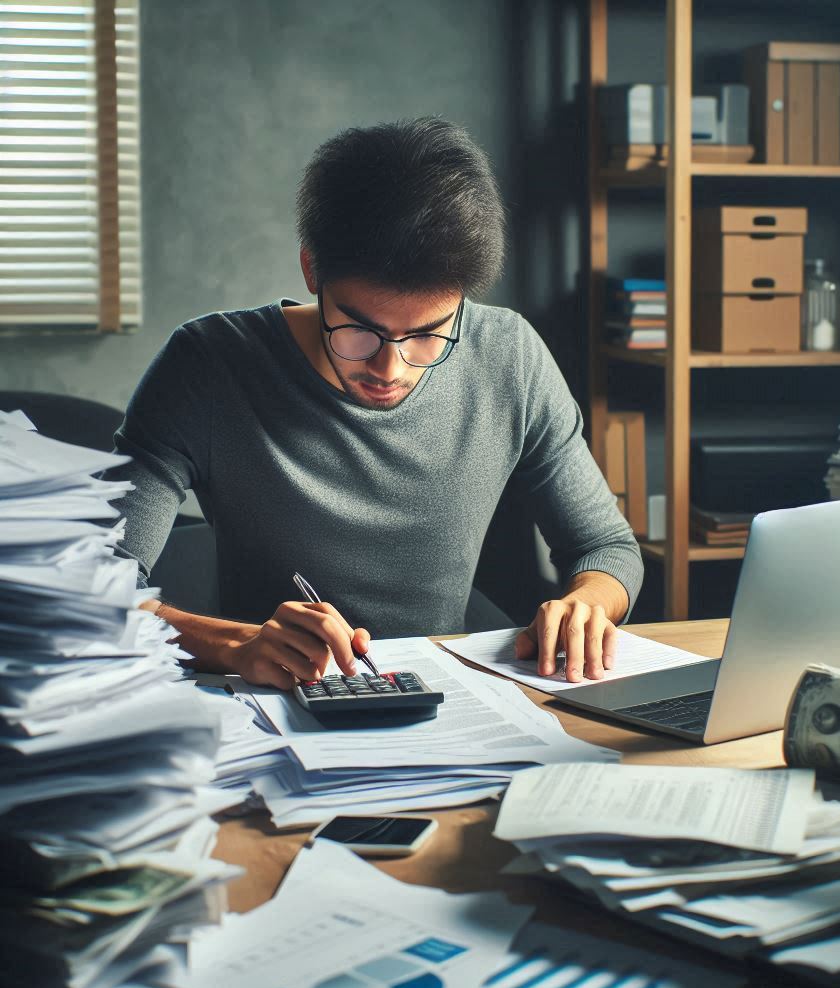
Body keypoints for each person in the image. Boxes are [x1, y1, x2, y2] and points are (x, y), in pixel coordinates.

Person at [110, 117, 643, 689]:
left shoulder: (508, 356)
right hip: (270, 708)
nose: (391, 369)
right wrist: (235, 642)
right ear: (312, 269)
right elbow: (80, 586)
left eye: (427, 334)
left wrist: (587, 603)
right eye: (361, 332)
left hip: (446, 701)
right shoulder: (208, 366)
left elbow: (605, 547)